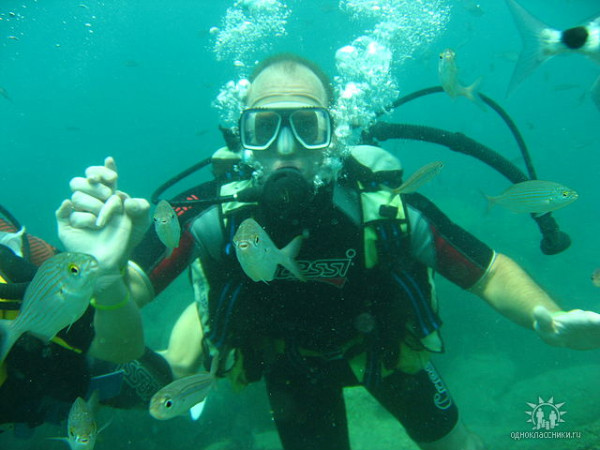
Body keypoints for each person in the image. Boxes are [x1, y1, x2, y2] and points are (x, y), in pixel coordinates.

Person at [58, 54, 600, 450]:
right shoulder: (207, 212)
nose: (285, 148)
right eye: (264, 128)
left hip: (386, 349)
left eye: (307, 126)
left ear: (334, 132)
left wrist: (544, 316)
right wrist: (105, 273)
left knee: (454, 444)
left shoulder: (382, 205)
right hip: (289, 364)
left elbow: (489, 272)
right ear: (242, 137)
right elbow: (128, 310)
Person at [0, 209, 172, 436]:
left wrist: (109, 268)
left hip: (60, 370)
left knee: (164, 386)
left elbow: (122, 347)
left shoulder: (9, 281)